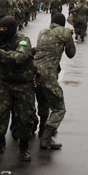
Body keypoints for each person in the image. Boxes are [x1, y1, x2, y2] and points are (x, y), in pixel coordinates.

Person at [0, 16, 37, 164]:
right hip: (4, 83)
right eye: (0, 28)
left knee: (24, 118)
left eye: (5, 29)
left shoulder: (23, 40)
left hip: (23, 85)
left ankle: (24, 148)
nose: (1, 31)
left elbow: (19, 57)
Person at [34, 13, 76, 149]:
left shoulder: (42, 32)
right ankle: (46, 136)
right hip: (48, 75)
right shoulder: (65, 32)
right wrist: (69, 37)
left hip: (34, 73)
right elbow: (71, 54)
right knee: (59, 108)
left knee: (43, 100)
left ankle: (41, 128)